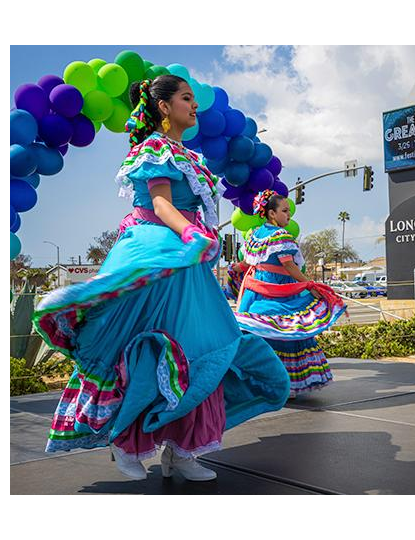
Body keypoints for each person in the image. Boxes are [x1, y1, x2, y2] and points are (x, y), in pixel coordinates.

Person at [33, 75, 290, 482]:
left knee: (204, 349)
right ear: (164, 107)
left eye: (194, 98)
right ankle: (125, 442)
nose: (195, 105)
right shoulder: (154, 149)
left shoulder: (189, 155)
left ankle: (182, 451)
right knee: (149, 348)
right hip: (162, 255)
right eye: (186, 98)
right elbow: (159, 202)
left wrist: (195, 240)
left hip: (187, 265)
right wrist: (190, 233)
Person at [233, 190, 347, 398]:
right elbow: (291, 267)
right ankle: (288, 385)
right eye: (284, 211)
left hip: (258, 292)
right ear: (271, 214)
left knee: (263, 333)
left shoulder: (256, 235)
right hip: (280, 291)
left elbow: (250, 263)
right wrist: (310, 285)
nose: (288, 216)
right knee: (288, 332)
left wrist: (236, 269)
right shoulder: (280, 236)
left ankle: (261, 382)